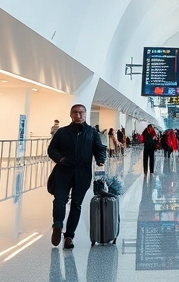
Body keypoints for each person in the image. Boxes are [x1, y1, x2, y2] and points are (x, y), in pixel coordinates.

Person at [47, 104, 107, 249]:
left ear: (85, 115)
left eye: (81, 113)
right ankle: (58, 225)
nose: (78, 115)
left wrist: (100, 159)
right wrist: (61, 159)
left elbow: (99, 148)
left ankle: (69, 236)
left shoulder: (91, 132)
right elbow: (51, 149)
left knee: (76, 204)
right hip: (63, 171)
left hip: (83, 173)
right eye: (75, 112)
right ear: (70, 114)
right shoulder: (62, 132)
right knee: (59, 199)